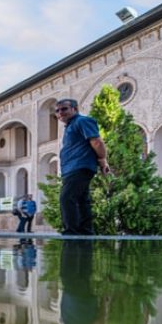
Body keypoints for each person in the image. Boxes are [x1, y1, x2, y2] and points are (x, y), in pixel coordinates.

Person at [55, 99, 110, 235]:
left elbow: (96, 141)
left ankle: (71, 232)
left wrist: (102, 160)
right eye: (57, 110)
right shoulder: (70, 126)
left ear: (74, 109)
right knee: (81, 200)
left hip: (80, 166)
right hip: (71, 168)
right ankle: (85, 231)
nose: (60, 113)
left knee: (67, 198)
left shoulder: (82, 121)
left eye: (64, 109)